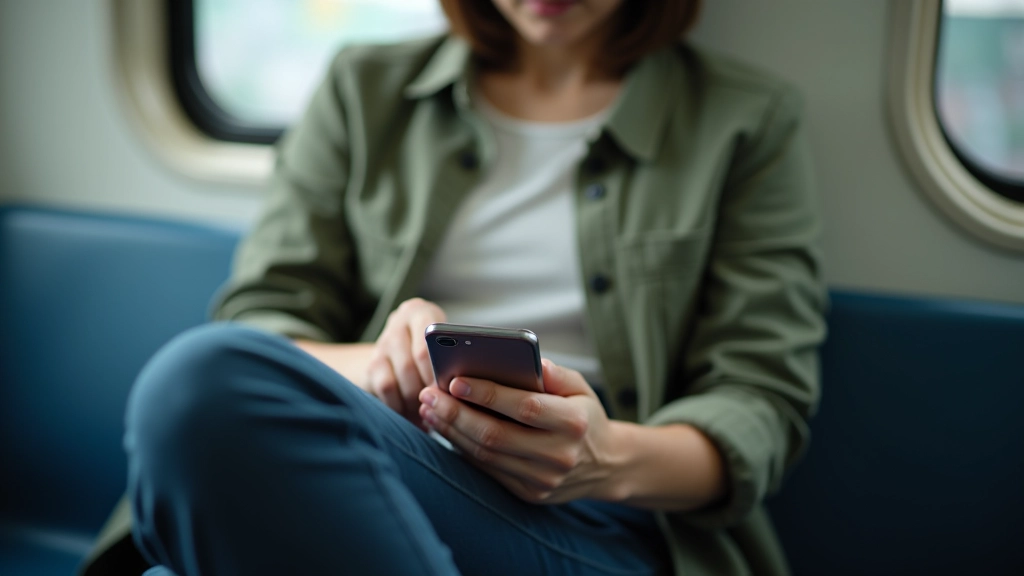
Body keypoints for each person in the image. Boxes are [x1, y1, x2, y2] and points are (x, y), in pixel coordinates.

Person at [81, 0, 825, 574]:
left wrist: (601, 457)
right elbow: (263, 323)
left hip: (603, 517)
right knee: (204, 380)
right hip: (387, 459)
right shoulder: (365, 90)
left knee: (199, 391)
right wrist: (387, 361)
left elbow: (760, 404)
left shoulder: (743, 119)